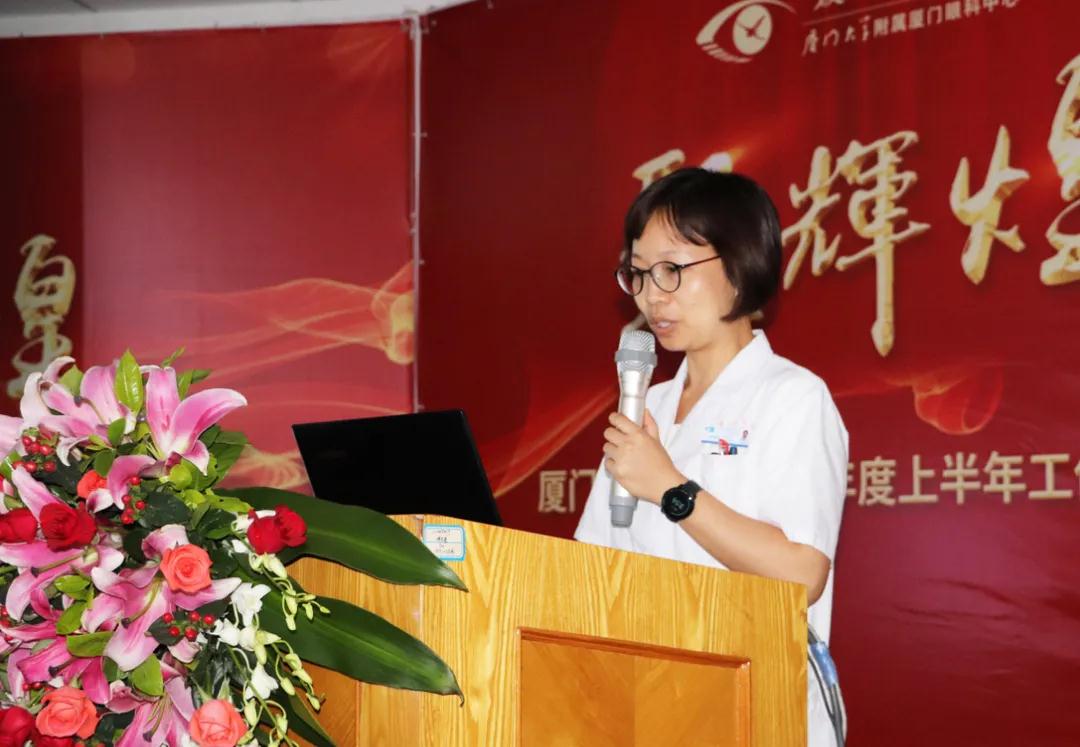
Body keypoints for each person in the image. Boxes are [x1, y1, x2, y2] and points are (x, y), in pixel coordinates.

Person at [574, 167, 848, 747]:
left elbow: (801, 574)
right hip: (647, 709)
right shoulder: (645, 405)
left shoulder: (793, 397)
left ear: (741, 262)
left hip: (755, 712)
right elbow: (590, 568)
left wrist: (672, 490)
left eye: (673, 269)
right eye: (639, 272)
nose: (653, 294)